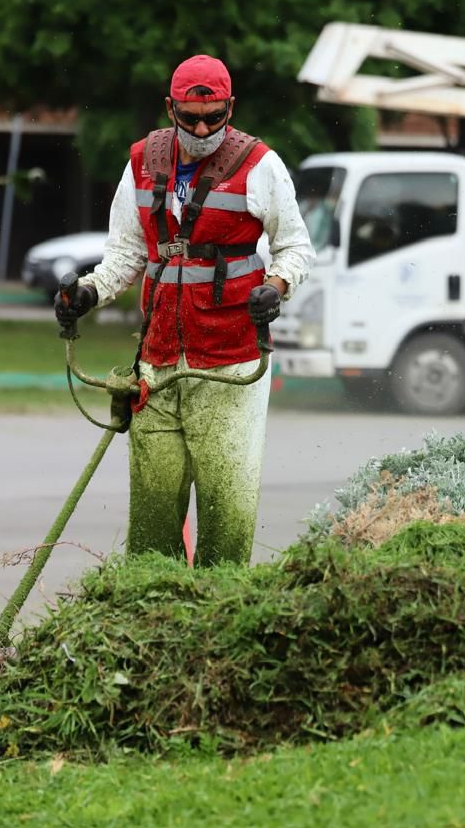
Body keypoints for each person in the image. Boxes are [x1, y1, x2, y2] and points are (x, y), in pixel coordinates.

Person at [54, 54, 314, 566]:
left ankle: (220, 621)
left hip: (230, 366)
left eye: (214, 117)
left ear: (230, 107)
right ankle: (153, 616)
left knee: (226, 516)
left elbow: (297, 249)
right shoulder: (141, 162)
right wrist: (85, 294)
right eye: (190, 118)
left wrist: (276, 285)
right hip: (157, 363)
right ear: (169, 107)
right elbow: (126, 255)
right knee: (152, 523)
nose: (201, 128)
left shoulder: (261, 165)